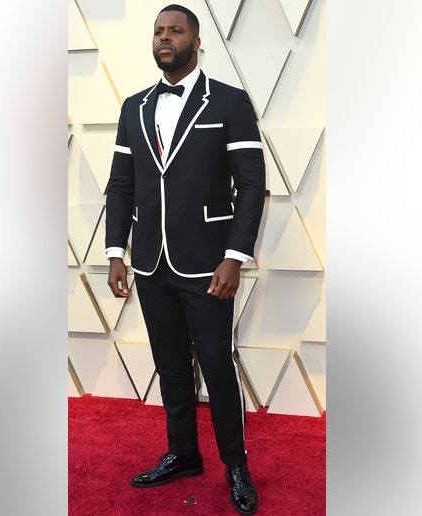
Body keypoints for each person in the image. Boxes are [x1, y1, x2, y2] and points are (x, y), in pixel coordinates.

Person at [104, 4, 266, 514]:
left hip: (209, 265)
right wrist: (115, 253)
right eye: (158, 31)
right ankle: (183, 453)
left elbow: (252, 184)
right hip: (151, 263)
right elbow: (122, 184)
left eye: (175, 30)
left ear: (197, 42)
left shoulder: (231, 102)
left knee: (217, 364)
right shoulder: (134, 107)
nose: (164, 37)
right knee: (171, 366)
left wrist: (234, 256)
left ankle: (235, 463)